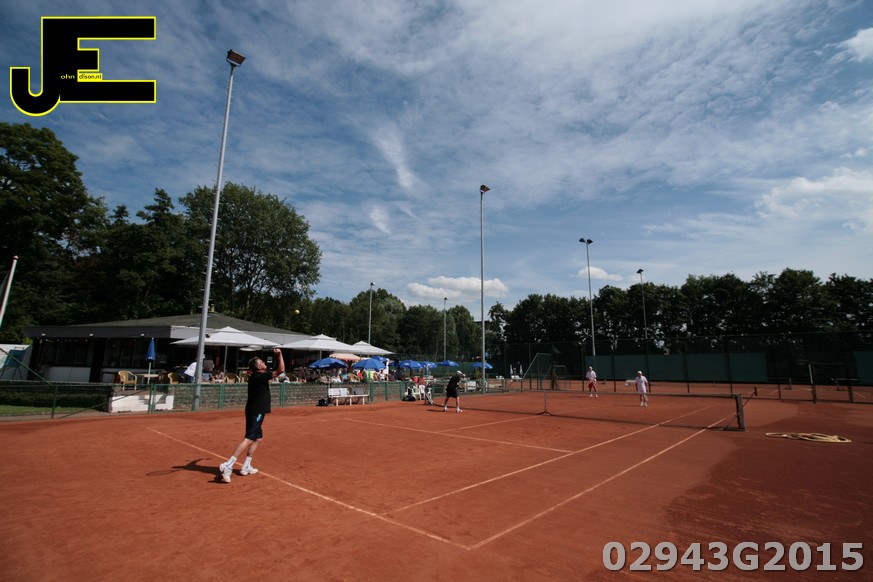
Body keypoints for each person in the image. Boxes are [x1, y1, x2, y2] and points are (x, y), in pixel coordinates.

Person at [219, 348, 285, 483]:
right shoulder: (260, 376)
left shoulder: (257, 376)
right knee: (249, 438)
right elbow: (281, 370)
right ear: (258, 367)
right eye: (261, 362)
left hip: (255, 410)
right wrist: (279, 355)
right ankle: (228, 465)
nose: (264, 362)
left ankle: (246, 466)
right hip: (256, 411)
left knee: (258, 438)